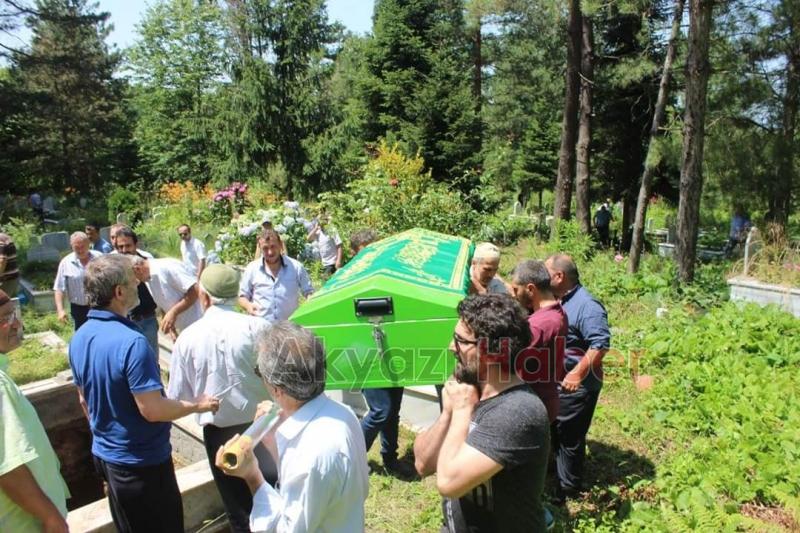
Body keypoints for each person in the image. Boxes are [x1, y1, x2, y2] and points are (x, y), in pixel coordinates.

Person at [68, 254, 219, 533]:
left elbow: (83, 400)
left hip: (107, 459)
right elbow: (153, 410)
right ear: (119, 292)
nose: (138, 283)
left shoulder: (80, 337)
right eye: (132, 280)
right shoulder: (132, 343)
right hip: (143, 465)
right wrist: (197, 404)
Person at [413, 294, 550, 532]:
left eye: (460, 340)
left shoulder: (518, 412)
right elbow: (422, 464)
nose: (451, 346)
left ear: (492, 352)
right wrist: (447, 414)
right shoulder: (469, 391)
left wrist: (461, 410)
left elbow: (448, 483)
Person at [215, 321, 369, 532]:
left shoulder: (309, 455)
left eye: (259, 372)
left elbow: (287, 529)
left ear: (277, 389)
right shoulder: (344, 414)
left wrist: (253, 476)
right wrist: (273, 442)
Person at [167, 264, 275, 532]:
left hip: (220, 435)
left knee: (238, 508)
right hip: (263, 427)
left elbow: (177, 397)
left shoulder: (188, 338)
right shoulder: (259, 327)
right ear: (236, 294)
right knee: (274, 496)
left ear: (203, 296)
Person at [0, 290, 70, 533]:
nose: (16, 324)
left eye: (14, 315)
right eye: (5, 318)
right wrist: (50, 517)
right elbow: (8, 467)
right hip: (25, 524)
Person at [545, 254, 610, 502]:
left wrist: (577, 373)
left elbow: (600, 345)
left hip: (577, 386)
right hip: (559, 383)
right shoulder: (559, 299)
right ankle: (558, 470)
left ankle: (568, 487)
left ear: (559, 276)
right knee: (557, 429)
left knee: (569, 435)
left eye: (546, 272)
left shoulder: (587, 306)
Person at [510, 260, 568, 425]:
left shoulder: (538, 326)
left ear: (530, 288)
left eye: (516, 289)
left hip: (529, 405)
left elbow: (511, 367)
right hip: (546, 398)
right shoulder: (559, 311)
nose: (513, 295)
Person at [238, 229, 314, 322]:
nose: (270, 252)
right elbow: (242, 297)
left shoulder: (296, 267)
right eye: (265, 248)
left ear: (280, 245)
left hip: (289, 326)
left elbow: (309, 292)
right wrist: (248, 306)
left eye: (273, 246)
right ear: (260, 248)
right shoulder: (252, 269)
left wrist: (309, 301)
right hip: (261, 326)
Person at [130, 256, 202, 341]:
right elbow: (164, 302)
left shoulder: (168, 267)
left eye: (132, 278)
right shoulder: (147, 278)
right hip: (186, 329)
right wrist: (171, 328)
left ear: (138, 269)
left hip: (201, 323)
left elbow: (196, 290)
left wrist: (174, 312)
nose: (135, 282)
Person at [114, 227, 159, 352]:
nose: (124, 250)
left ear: (136, 245)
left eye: (128, 246)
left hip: (146, 320)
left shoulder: (146, 263)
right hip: (123, 322)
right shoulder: (114, 267)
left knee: (150, 357)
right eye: (120, 247)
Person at [53, 231, 102, 330]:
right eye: (76, 247)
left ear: (88, 244)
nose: (80, 250)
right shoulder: (66, 263)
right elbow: (59, 288)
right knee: (82, 335)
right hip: (79, 309)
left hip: (100, 306)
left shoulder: (100, 258)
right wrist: (60, 310)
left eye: (82, 247)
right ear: (71, 246)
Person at [0, 233, 19, 299]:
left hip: (5, 280)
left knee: (2, 303)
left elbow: (2, 261)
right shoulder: (5, 237)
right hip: (9, 279)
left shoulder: (1, 240)